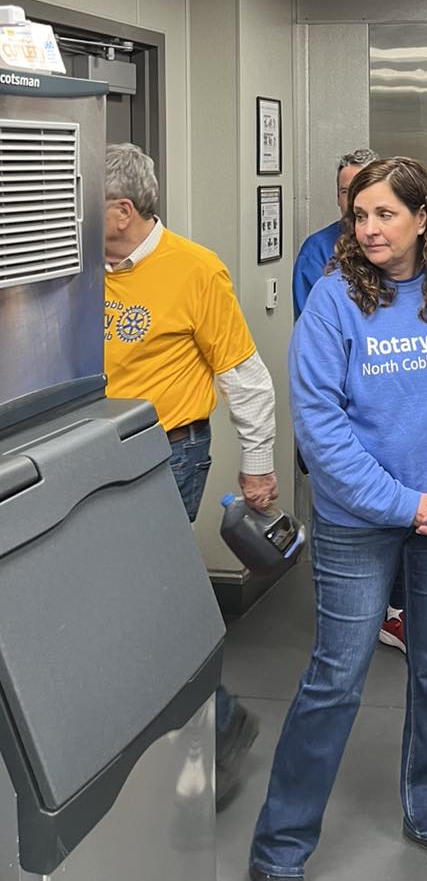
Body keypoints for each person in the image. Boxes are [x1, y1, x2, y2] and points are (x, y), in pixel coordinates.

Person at [249, 157, 427, 880]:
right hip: (356, 524)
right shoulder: (334, 298)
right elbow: (320, 425)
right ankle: (280, 847)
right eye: (359, 215)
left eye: (385, 214)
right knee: (336, 677)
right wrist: (400, 502)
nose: (368, 228)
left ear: (423, 218)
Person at [103, 142, 277, 809]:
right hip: (92, 455)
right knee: (125, 600)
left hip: (166, 454)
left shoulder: (196, 270)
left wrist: (257, 468)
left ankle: (219, 722)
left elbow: (246, 379)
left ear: (122, 210)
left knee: (144, 599)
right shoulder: (79, 268)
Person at [292, 147, 405, 656]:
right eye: (348, 195)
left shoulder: (413, 262)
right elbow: (319, 343)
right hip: (343, 422)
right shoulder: (317, 252)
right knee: (346, 524)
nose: (360, 211)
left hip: (395, 423)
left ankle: (395, 613)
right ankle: (350, 615)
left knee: (399, 519)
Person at [292, 148, 377, 317]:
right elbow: (312, 322)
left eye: (362, 189)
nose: (353, 199)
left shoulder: (396, 243)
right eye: (345, 192)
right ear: (338, 198)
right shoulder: (316, 251)